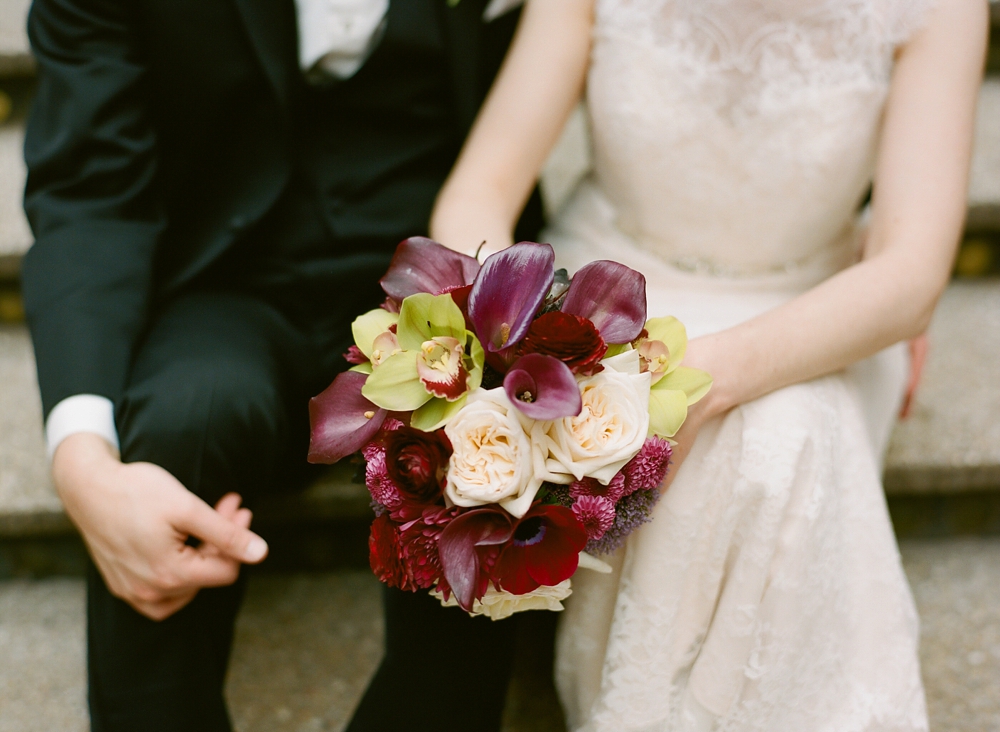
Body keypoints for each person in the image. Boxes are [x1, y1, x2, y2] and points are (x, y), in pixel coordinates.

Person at [430, 0, 988, 729]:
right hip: (607, 299)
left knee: (778, 437)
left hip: (808, 310)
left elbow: (911, 275)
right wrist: (520, 335)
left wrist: (703, 382)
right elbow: (478, 190)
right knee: (716, 446)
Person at [21, 0, 541, 730]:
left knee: (485, 449)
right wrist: (81, 460)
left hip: (432, 277)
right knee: (184, 419)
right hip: (228, 274)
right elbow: (88, 187)